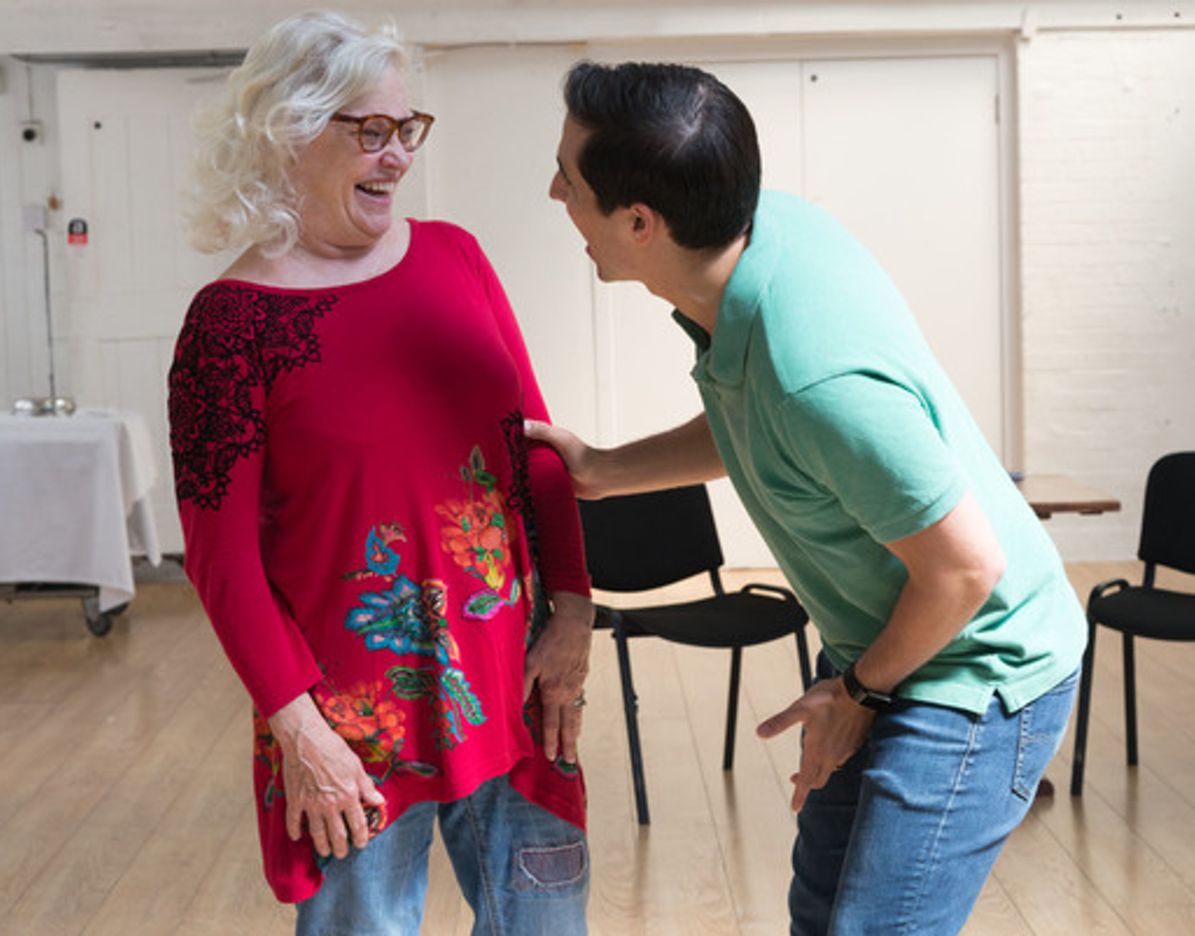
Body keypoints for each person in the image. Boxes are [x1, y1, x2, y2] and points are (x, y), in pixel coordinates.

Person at [530, 60, 1086, 936]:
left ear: (640, 222)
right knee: (825, 918)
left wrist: (856, 694)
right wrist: (603, 469)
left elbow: (967, 570)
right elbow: (761, 422)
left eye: (570, 177)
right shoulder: (763, 236)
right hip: (891, 644)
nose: (553, 188)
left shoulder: (815, 376)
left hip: (979, 668)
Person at [168, 13, 594, 934]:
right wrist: (298, 729)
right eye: (369, 130)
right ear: (287, 132)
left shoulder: (456, 258)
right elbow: (223, 561)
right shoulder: (230, 327)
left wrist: (573, 610)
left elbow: (536, 450)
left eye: (407, 128)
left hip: (512, 684)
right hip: (349, 726)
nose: (397, 154)